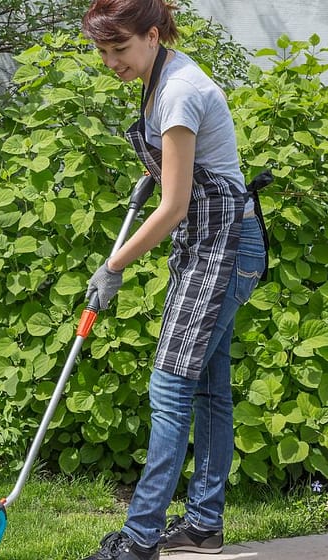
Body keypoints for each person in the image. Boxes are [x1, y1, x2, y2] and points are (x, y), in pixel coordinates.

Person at [81, 1, 267, 559]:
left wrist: (113, 267)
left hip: (226, 247)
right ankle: (204, 525)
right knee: (209, 389)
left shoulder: (181, 89)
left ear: (153, 35)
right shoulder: (155, 76)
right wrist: (154, 172)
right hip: (209, 245)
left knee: (169, 387)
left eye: (120, 49)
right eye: (103, 51)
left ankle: (139, 540)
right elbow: (177, 172)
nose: (112, 61)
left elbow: (176, 207)